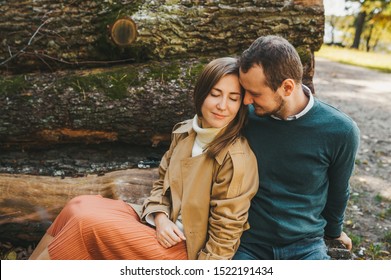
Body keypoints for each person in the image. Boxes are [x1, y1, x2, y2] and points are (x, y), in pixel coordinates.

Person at [29, 57, 259, 260]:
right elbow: (161, 183)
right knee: (77, 206)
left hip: (187, 250)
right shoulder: (185, 133)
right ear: (201, 94)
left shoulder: (235, 158)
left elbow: (226, 232)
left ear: (241, 105)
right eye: (215, 94)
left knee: (85, 225)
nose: (222, 106)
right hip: (160, 224)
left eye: (233, 98)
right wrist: (159, 217)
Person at [233, 35, 360, 260]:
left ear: (287, 87)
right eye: (245, 91)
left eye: (255, 93)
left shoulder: (341, 130)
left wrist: (334, 233)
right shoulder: (245, 118)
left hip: (306, 245)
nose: (246, 101)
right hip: (250, 243)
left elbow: (339, 191)